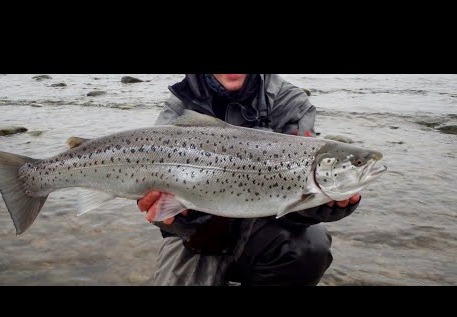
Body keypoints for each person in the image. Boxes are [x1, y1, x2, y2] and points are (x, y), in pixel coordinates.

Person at [138, 74, 361, 286]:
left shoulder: (288, 102)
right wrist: (178, 217)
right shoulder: (181, 101)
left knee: (311, 247)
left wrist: (319, 206)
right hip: (194, 238)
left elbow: (295, 199)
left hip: (264, 232)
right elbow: (150, 195)